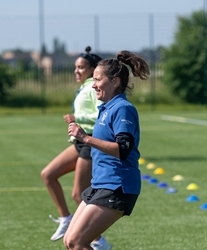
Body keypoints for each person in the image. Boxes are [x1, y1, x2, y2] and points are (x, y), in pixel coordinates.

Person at [64, 50, 150, 250]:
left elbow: (123, 149)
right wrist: (83, 135)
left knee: (77, 242)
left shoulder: (122, 108)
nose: (93, 85)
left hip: (117, 186)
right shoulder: (106, 108)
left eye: (98, 79)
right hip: (100, 184)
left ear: (115, 81)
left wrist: (85, 137)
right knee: (69, 241)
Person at [41, 46, 112, 249]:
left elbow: (102, 114)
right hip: (79, 142)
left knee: (78, 193)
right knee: (48, 174)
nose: (77, 71)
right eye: (75, 67)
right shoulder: (84, 87)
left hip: (90, 142)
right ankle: (66, 219)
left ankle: (99, 240)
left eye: (81, 67)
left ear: (92, 69)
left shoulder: (92, 87)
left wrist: (77, 118)